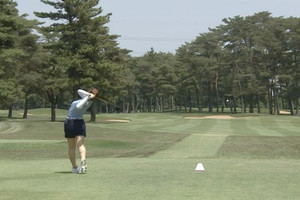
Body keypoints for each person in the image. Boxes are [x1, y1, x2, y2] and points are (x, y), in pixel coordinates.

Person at [64, 88, 99, 174]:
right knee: (81, 144)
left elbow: (78, 106)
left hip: (71, 123)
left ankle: (75, 167)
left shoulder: (86, 101)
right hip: (80, 122)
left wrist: (87, 97)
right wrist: (89, 95)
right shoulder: (89, 101)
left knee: (71, 147)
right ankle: (83, 161)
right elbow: (78, 90)